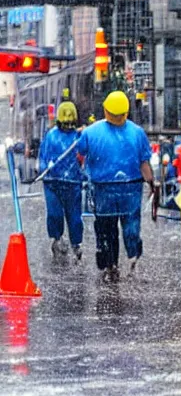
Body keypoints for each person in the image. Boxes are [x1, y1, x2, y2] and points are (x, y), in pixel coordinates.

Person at [77, 91, 154, 282]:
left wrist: (86, 172)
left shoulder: (91, 132)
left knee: (106, 228)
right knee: (131, 227)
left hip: (103, 188)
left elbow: (80, 155)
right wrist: (152, 184)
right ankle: (132, 258)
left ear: (105, 110)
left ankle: (109, 264)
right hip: (131, 188)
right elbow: (144, 164)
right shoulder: (137, 133)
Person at [39, 101, 84, 262]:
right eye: (65, 124)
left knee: (74, 216)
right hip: (52, 182)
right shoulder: (51, 136)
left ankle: (76, 243)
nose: (68, 127)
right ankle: (56, 239)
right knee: (54, 213)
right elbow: (42, 156)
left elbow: (85, 156)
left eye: (70, 124)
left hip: (73, 183)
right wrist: (45, 167)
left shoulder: (78, 137)